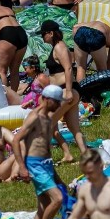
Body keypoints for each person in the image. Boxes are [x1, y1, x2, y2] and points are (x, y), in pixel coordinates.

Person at [12, 85, 66, 219]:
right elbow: (16, 140)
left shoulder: (49, 119)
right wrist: (21, 167)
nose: (59, 106)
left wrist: (57, 177)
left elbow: (46, 148)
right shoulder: (34, 117)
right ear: (48, 100)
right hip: (34, 164)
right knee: (57, 199)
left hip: (46, 164)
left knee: (43, 207)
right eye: (57, 102)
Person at [41, 20, 86, 156]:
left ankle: (44, 158)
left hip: (66, 91)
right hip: (62, 91)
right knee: (73, 127)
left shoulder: (60, 47)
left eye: (43, 34)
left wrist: (67, 91)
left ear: (51, 33)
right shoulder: (56, 47)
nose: (42, 37)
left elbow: (68, 69)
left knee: (48, 123)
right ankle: (80, 154)